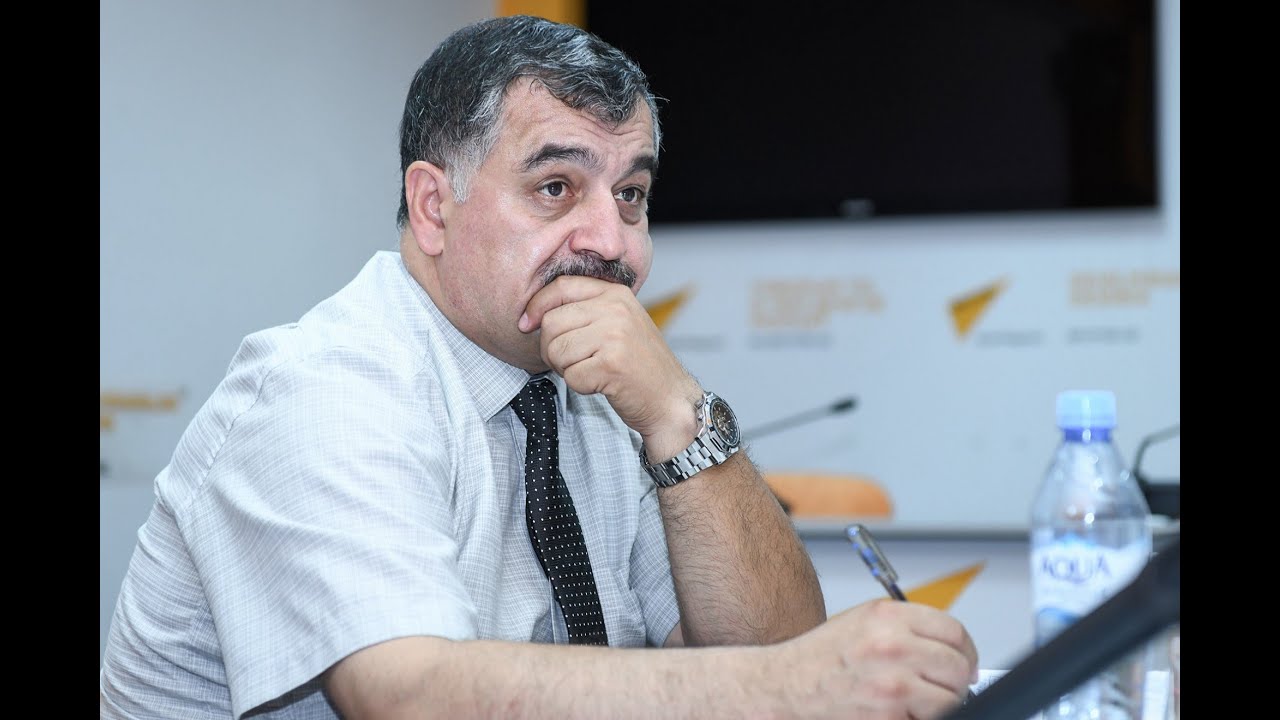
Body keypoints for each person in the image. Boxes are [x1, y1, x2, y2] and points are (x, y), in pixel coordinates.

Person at [100, 14, 978, 719]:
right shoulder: (324, 386)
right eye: (556, 188)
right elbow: (409, 696)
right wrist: (782, 689)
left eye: (631, 195)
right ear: (433, 207)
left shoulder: (597, 392)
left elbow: (771, 653)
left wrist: (678, 415)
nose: (611, 242)